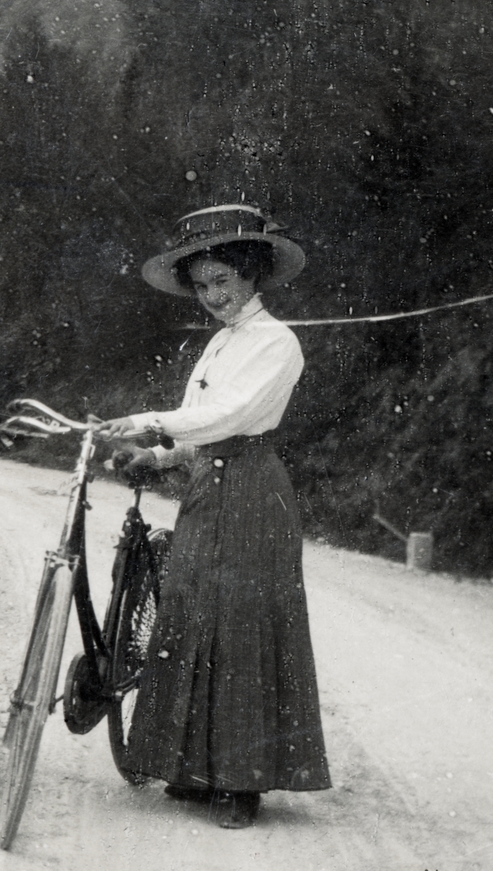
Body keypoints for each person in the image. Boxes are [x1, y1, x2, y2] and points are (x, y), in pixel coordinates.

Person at [101, 204, 330, 829]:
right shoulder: (218, 345)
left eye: (223, 281)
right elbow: (199, 427)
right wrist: (159, 452)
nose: (212, 296)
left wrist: (153, 419)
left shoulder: (277, 342)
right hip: (208, 488)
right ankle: (194, 768)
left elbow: (231, 417)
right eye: (201, 286)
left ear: (252, 275)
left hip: (255, 490)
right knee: (190, 612)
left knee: (244, 624)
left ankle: (242, 783)